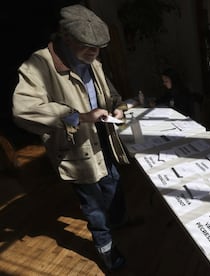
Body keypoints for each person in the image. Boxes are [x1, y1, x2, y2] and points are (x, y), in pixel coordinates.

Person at [12, 4, 130, 271]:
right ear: (65, 36)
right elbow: (23, 110)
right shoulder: (38, 64)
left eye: (98, 47)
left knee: (113, 182)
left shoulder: (93, 61)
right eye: (87, 45)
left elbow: (110, 95)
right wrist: (80, 116)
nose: (94, 52)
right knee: (94, 208)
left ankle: (119, 224)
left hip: (104, 140)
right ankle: (108, 253)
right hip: (76, 149)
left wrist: (118, 108)